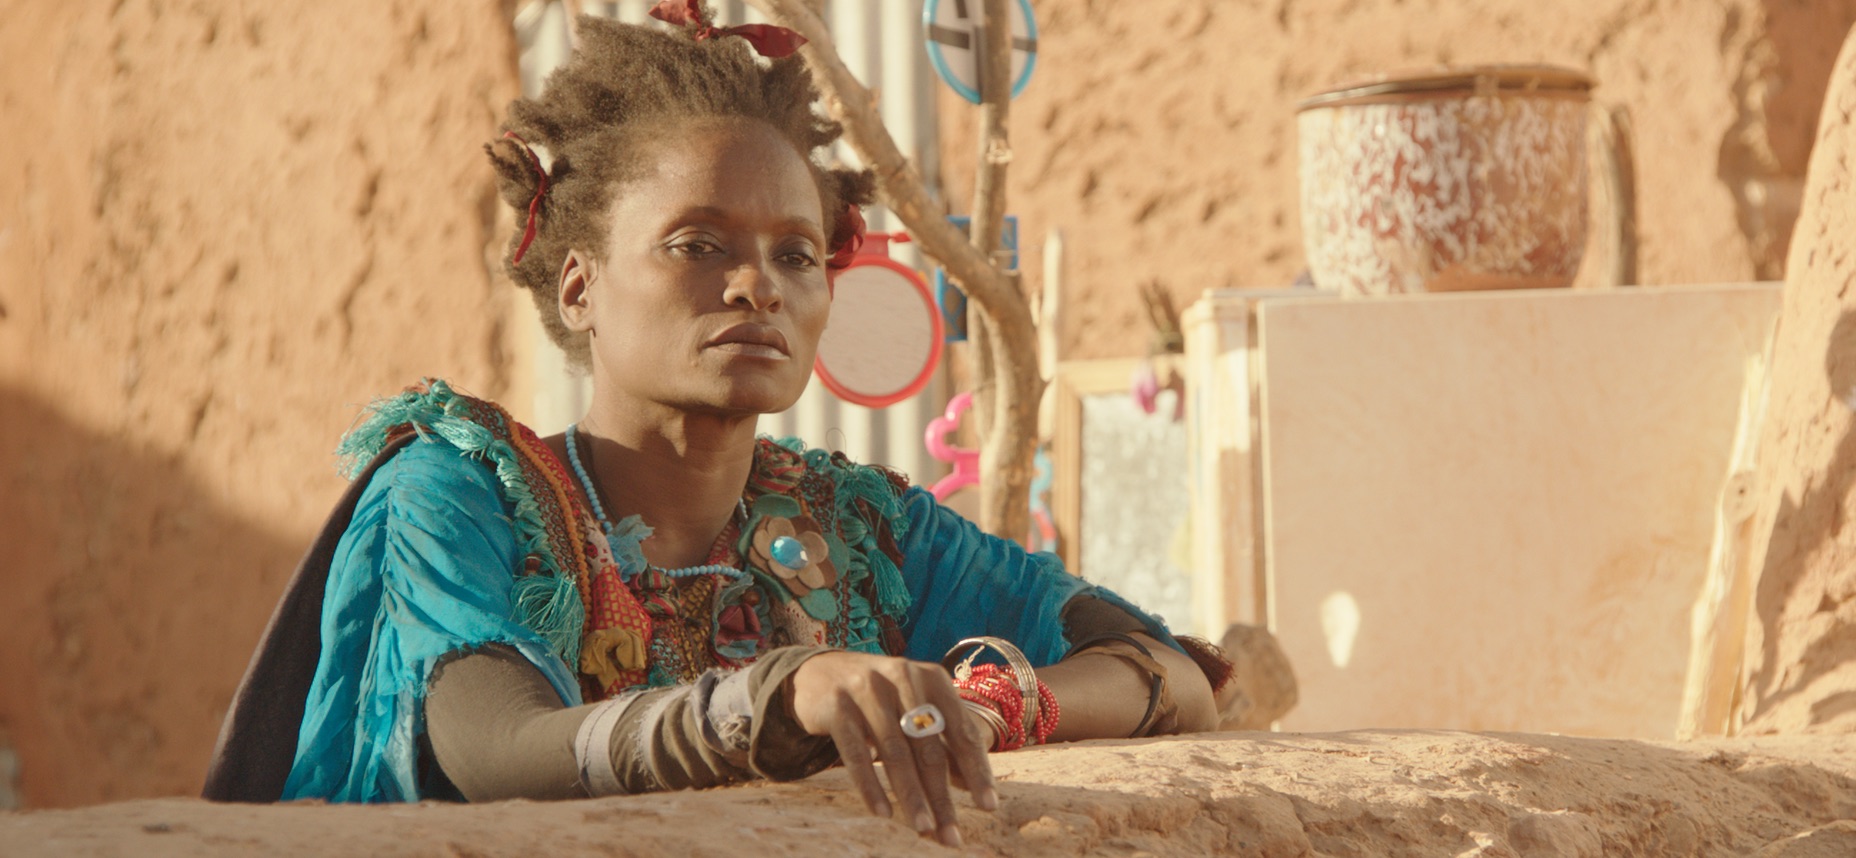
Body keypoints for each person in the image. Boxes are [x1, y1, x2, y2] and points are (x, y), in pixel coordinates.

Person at [201, 3, 1224, 848]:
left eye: (794, 256)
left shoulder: (853, 526)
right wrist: (771, 701)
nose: (756, 288)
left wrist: (995, 705)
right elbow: (498, 748)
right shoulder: (461, 490)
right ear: (577, 288)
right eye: (697, 244)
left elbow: (1167, 674)